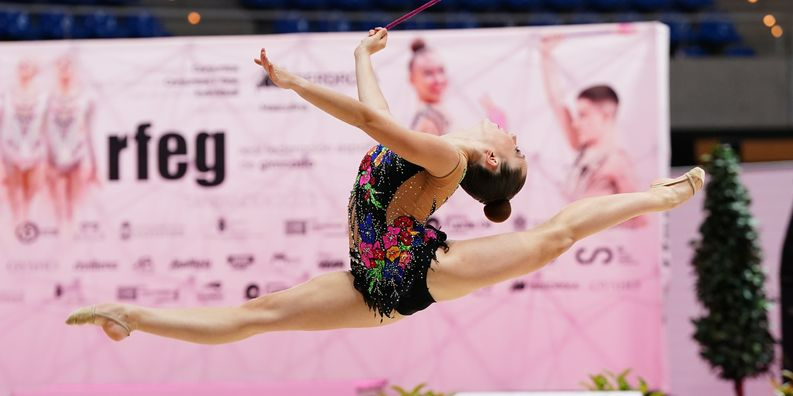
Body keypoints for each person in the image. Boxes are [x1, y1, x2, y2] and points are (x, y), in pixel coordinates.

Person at [66, 28, 704, 343]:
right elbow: (381, 119)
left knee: (552, 237)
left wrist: (293, 83)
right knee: (256, 316)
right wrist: (361, 60)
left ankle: (656, 195)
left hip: (417, 269)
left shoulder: (449, 159)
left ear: (488, 156)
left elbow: (371, 120)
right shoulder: (434, 150)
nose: (511, 133)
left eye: (515, 146)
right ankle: (133, 316)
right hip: (371, 275)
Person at [540, 35, 638, 200]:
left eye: (583, 115)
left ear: (606, 114)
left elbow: (640, 219)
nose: (576, 123)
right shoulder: (582, 149)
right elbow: (556, 102)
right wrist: (545, 57)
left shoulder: (617, 164)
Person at [408, 38, 507, 136]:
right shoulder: (428, 121)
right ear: (412, 78)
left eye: (441, 71)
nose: (438, 79)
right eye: (428, 73)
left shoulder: (435, 114)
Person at [44, 56, 97, 225]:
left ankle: (73, 229)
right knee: (56, 206)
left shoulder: (86, 98)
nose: (65, 70)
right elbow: (41, 130)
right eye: (61, 66)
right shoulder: (46, 98)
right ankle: (60, 231)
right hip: (54, 153)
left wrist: (95, 164)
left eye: (68, 66)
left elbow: (89, 131)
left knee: (74, 205)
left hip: (77, 153)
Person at [0, 59, 47, 224]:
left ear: (34, 71)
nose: (24, 69)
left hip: (35, 150)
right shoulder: (6, 95)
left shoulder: (43, 97)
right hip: (11, 148)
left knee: (32, 191)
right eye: (21, 66)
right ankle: (16, 220)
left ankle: (28, 220)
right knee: (14, 190)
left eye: (27, 66)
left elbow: (48, 125)